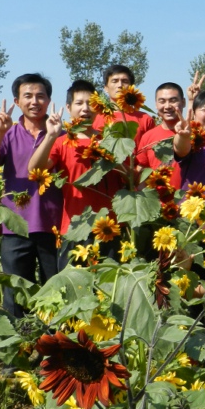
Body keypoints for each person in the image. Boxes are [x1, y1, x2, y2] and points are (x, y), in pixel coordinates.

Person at [0, 73, 63, 317]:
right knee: (15, 294)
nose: (34, 101)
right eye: (28, 96)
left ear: (49, 100)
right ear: (17, 101)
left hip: (53, 225)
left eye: (40, 96)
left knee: (55, 290)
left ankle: (52, 345)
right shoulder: (10, 134)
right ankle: (18, 345)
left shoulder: (60, 133)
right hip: (15, 225)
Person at [29, 80, 125, 268]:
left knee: (109, 288)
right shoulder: (62, 142)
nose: (85, 109)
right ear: (69, 107)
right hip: (75, 228)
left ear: (97, 107)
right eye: (79, 103)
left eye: (90, 103)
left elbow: (128, 175)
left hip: (109, 228)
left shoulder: (110, 140)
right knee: (76, 290)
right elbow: (35, 169)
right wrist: (50, 135)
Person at [92, 64, 156, 148]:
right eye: (114, 81)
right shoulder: (95, 117)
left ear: (131, 87)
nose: (120, 85)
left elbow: (151, 150)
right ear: (106, 88)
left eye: (125, 81)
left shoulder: (145, 119)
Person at [136, 81, 187, 170]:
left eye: (173, 100)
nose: (167, 106)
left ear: (183, 102)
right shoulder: (148, 137)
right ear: (156, 104)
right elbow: (142, 174)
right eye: (162, 101)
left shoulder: (194, 133)